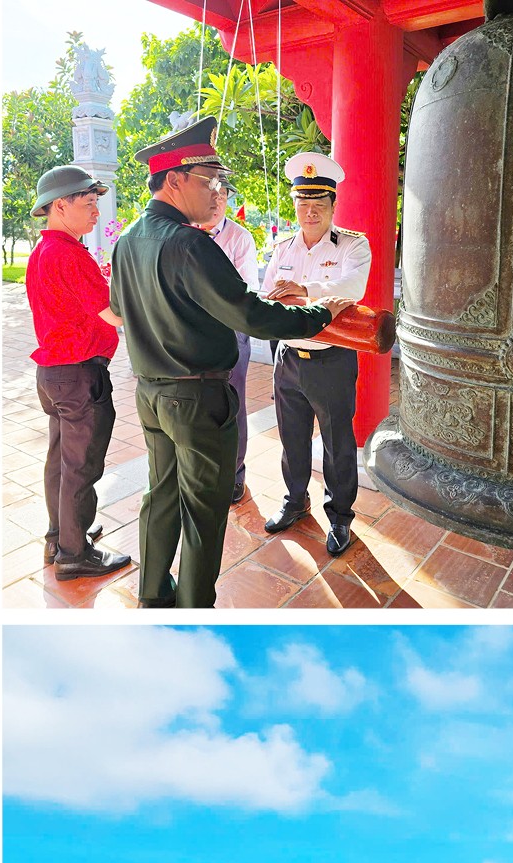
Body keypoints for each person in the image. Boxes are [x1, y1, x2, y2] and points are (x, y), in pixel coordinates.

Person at [110, 117, 349, 608]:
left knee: (160, 496)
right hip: (197, 397)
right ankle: (194, 608)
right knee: (203, 509)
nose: (217, 191)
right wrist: (318, 314)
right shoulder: (190, 243)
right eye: (209, 180)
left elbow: (120, 309)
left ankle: (153, 595)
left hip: (152, 393)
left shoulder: (128, 240)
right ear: (174, 179)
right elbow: (250, 313)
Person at [256, 151, 375, 557]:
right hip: (288, 357)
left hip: (331, 359)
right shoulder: (283, 247)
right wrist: (310, 297)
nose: (310, 212)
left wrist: (303, 292)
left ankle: (340, 515)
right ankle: (295, 500)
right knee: (291, 438)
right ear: (294, 204)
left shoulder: (353, 246)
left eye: (318, 205)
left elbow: (352, 288)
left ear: (332, 205)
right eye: (303, 204)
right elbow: (270, 293)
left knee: (338, 442)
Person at [23, 165, 131, 581]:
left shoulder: (42, 251)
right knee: (82, 466)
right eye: (88, 204)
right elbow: (114, 315)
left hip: (53, 375)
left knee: (60, 462)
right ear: (60, 205)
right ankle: (74, 553)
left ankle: (60, 535)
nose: (96, 214)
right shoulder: (68, 253)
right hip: (79, 374)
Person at [193, 190, 261, 506]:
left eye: (222, 196)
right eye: (210, 194)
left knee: (232, 403)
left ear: (229, 200)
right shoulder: (188, 232)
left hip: (230, 332)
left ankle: (234, 475)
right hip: (192, 333)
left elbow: (244, 291)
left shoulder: (239, 238)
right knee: (197, 403)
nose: (216, 200)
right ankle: (203, 472)